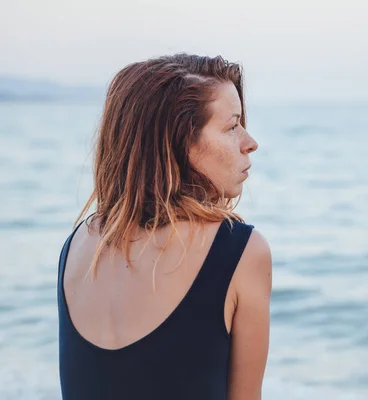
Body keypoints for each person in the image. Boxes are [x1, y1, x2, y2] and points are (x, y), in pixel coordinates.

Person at [56, 53, 272, 400]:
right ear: (180, 143)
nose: (250, 142)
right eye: (232, 126)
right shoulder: (240, 252)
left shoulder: (77, 246)